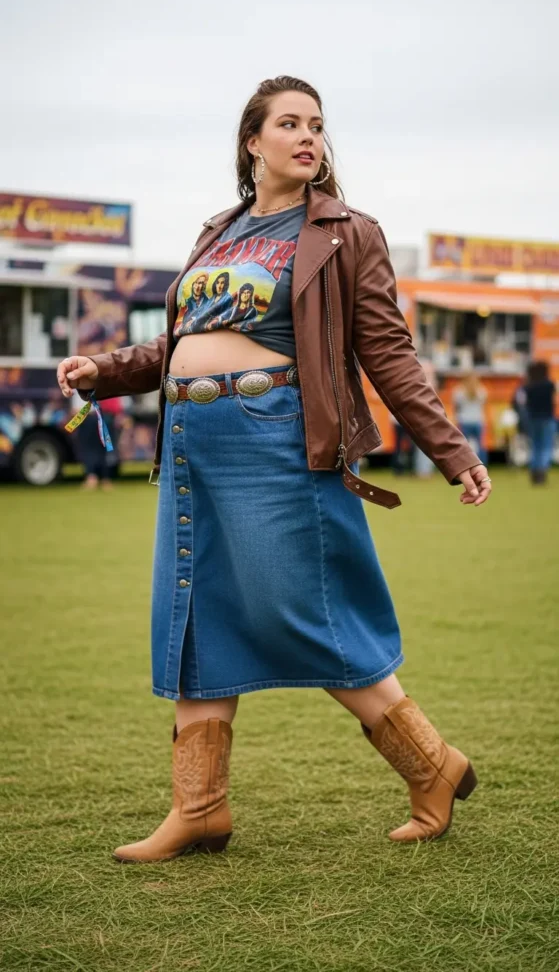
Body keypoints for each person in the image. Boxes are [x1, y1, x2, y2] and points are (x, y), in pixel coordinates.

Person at [57, 75, 492, 863]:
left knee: (306, 613)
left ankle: (431, 766)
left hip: (275, 440)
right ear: (252, 142)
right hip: (191, 442)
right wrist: (106, 369)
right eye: (289, 123)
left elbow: (387, 352)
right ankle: (199, 809)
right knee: (194, 613)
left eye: (316, 125)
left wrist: (451, 450)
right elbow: (178, 342)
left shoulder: (344, 232)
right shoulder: (218, 232)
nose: (308, 137)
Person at [516, 360, 556, 484]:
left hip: (533, 419)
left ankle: (534, 470)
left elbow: (521, 402)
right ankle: (542, 471)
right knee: (546, 446)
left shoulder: (528, 386)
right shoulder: (549, 385)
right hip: (547, 418)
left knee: (535, 446)